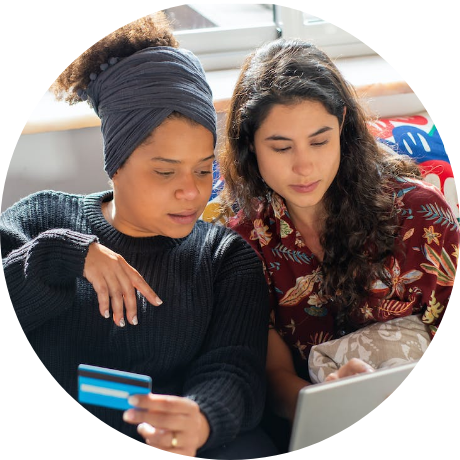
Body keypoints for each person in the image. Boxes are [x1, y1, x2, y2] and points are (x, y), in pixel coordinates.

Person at [1, 13, 279, 459]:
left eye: (204, 169)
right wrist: (61, 256)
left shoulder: (224, 258)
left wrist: (202, 418)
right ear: (115, 163)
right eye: (165, 171)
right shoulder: (40, 220)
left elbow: (234, 369)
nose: (191, 191)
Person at [218, 38, 459, 427]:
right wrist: (329, 400)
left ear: (343, 125)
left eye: (320, 141)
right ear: (250, 143)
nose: (305, 167)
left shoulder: (422, 216)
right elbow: (273, 377)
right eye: (281, 148)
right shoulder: (244, 239)